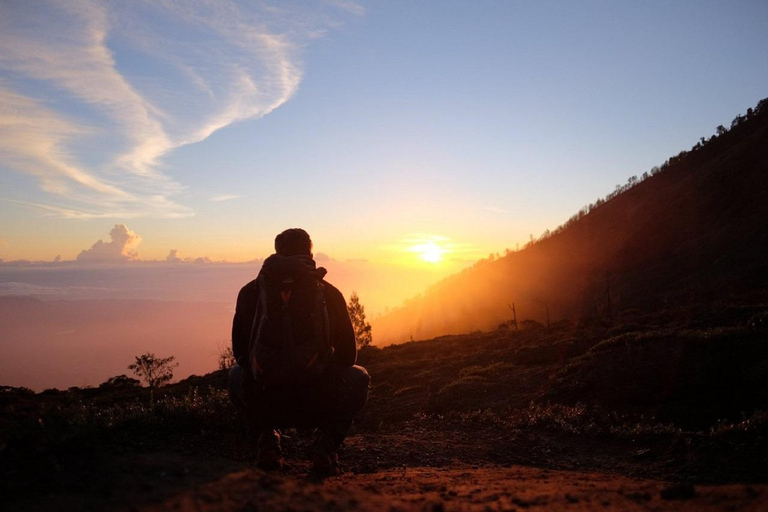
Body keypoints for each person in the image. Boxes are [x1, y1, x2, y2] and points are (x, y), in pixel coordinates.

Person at [228, 228, 370, 473]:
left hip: (267, 401)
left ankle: (268, 445)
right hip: (317, 401)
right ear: (310, 252)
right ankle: (324, 450)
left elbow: (240, 355)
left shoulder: (249, 293)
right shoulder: (329, 293)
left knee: (234, 375)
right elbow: (348, 357)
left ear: (277, 252)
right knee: (360, 377)